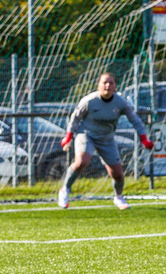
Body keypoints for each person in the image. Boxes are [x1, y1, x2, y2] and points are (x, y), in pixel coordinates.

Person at [57, 72, 154, 210]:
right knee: (82, 162)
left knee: (117, 174)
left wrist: (144, 138)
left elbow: (135, 120)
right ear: (99, 85)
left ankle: (119, 197)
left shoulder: (120, 102)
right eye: (104, 82)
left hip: (107, 139)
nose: (107, 85)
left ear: (115, 86)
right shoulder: (89, 101)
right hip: (87, 135)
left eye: (111, 83)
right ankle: (65, 190)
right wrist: (68, 136)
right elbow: (75, 118)